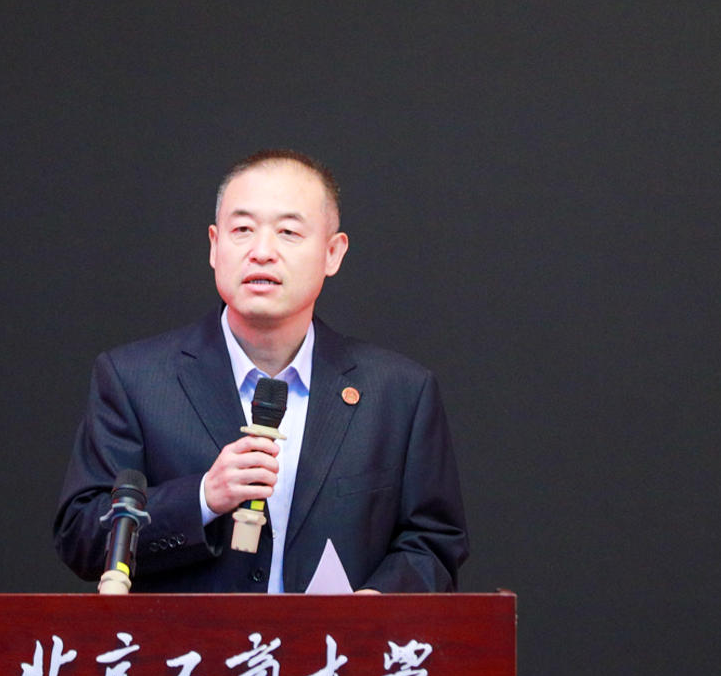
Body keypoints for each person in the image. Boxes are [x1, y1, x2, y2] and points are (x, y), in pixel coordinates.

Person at [54, 150, 468, 593]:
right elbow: (82, 536)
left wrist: (376, 607)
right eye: (243, 230)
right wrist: (203, 497)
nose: (262, 252)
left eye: (288, 232)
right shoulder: (135, 380)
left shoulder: (398, 392)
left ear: (332, 253)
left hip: (341, 640)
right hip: (191, 640)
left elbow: (433, 541)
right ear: (214, 246)